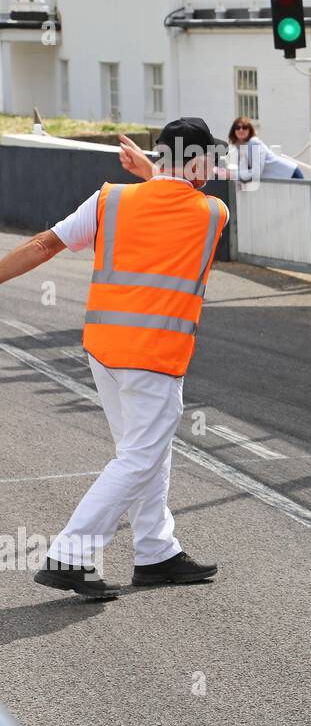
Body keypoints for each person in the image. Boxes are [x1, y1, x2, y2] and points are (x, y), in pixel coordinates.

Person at [0, 119, 229, 599]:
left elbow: (44, 245)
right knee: (141, 457)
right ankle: (71, 554)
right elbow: (172, 197)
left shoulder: (109, 200)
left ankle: (155, 551)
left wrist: (153, 172)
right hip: (155, 358)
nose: (217, 166)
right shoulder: (212, 213)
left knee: (143, 453)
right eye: (211, 157)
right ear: (194, 162)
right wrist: (155, 172)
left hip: (103, 352)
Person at [220, 116, 304, 183]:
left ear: (250, 130)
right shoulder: (239, 147)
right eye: (237, 127)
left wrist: (231, 174)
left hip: (291, 175)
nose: (241, 130)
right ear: (233, 131)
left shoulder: (254, 143)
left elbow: (256, 173)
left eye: (244, 127)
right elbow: (244, 172)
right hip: (280, 180)